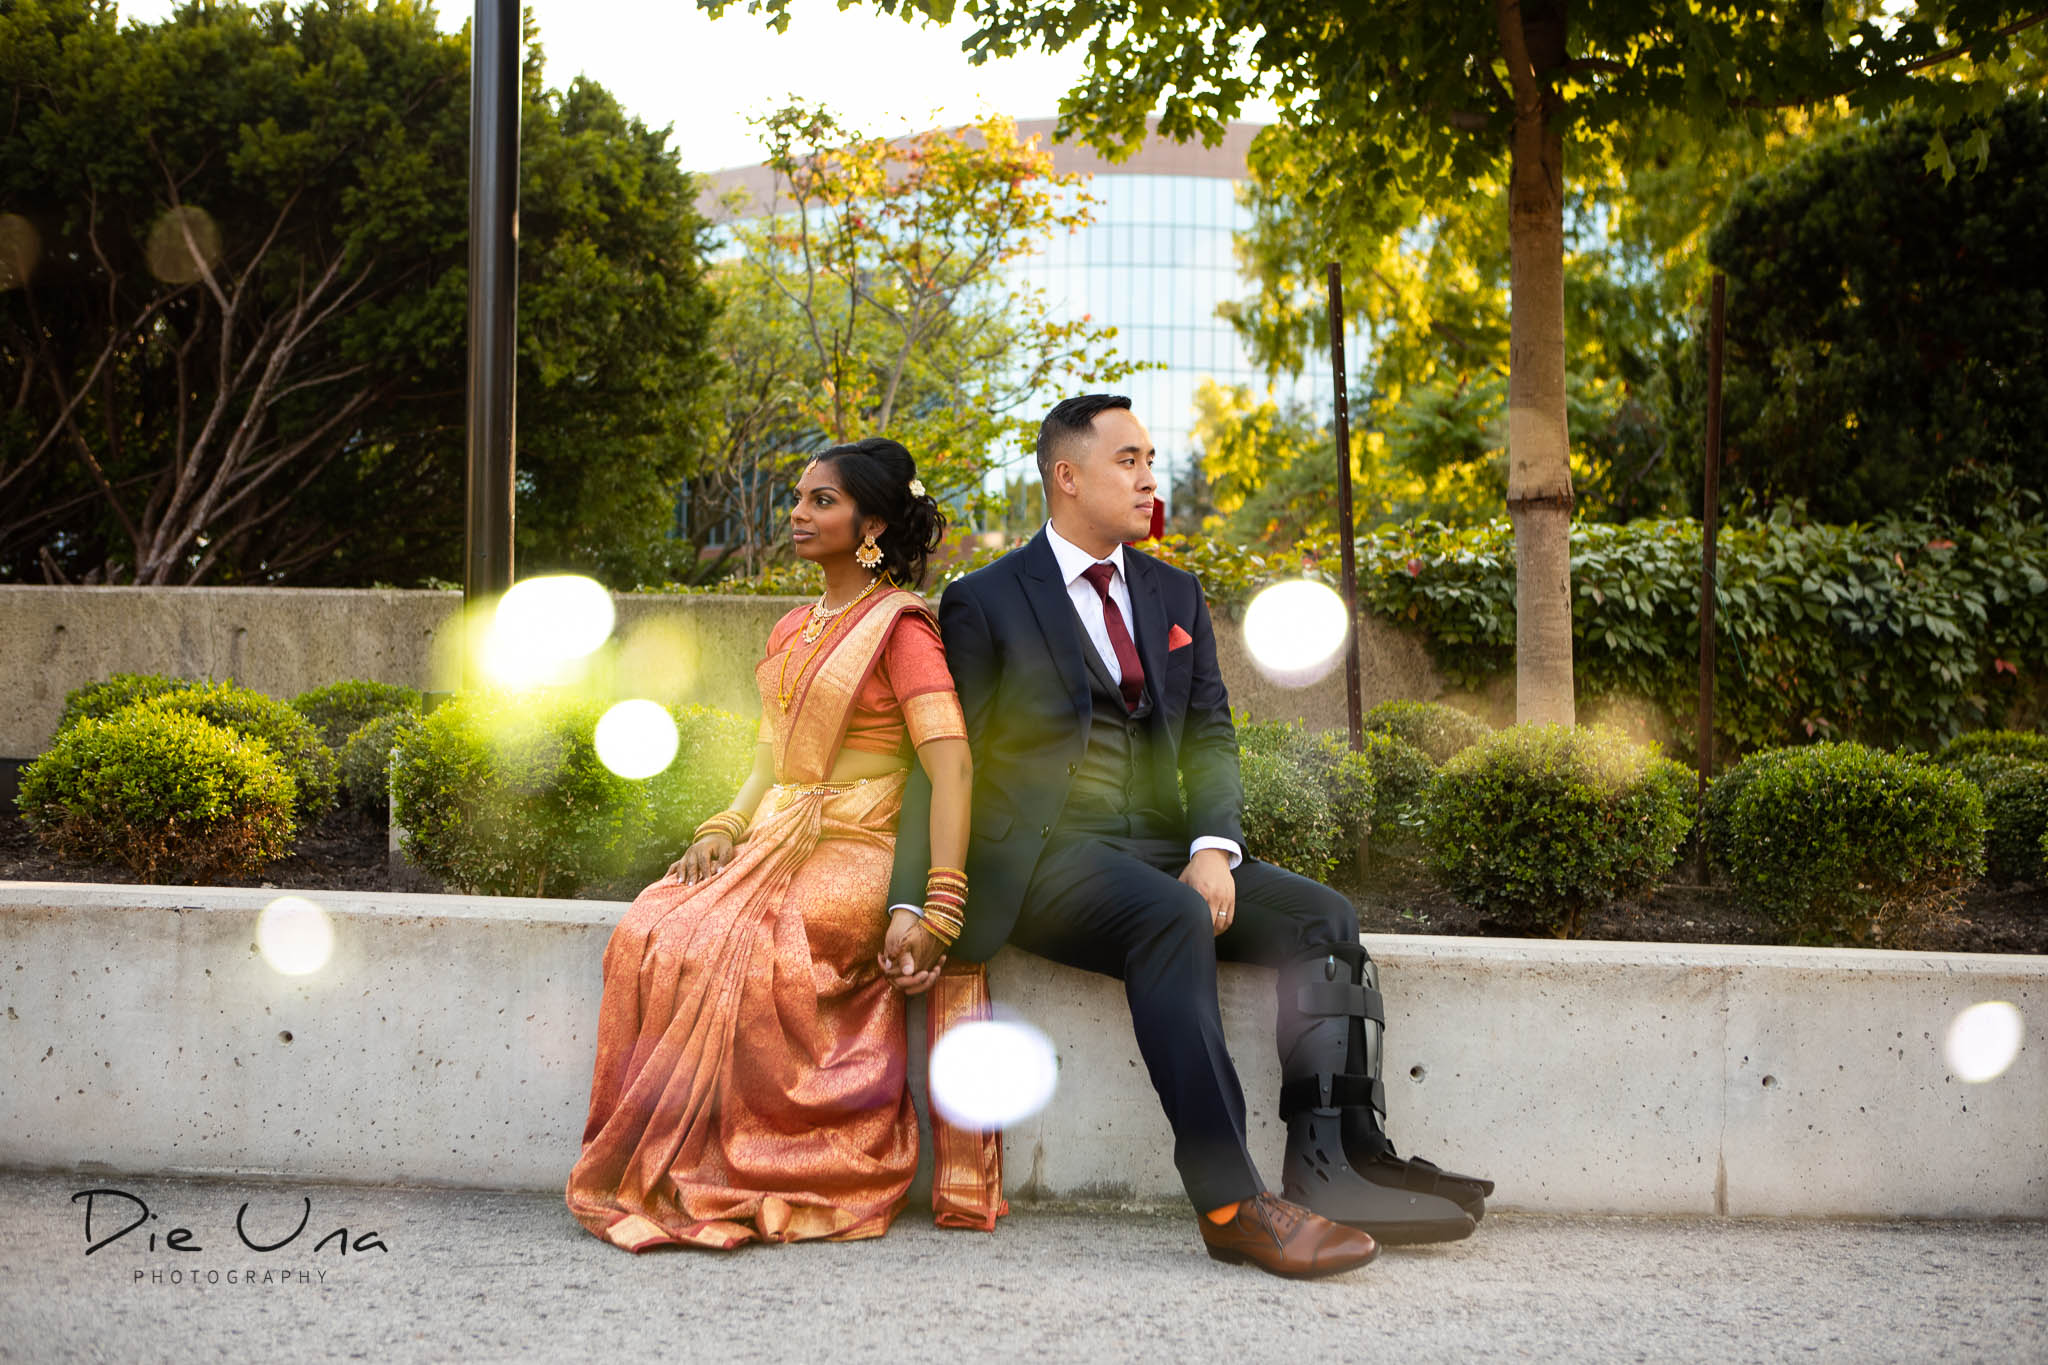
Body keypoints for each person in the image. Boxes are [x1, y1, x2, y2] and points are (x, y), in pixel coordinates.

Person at [885, 394, 1492, 1279]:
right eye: (1127, 458)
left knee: (1325, 917)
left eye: (1149, 457)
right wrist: (916, 898)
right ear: (1066, 476)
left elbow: (1209, 733)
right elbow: (942, 762)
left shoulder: (1173, 592)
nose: (1147, 475)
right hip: (1047, 860)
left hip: (1165, 851)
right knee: (1171, 918)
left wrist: (1214, 845)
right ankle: (1230, 1201)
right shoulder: (983, 600)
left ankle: (1340, 1157)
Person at [568, 437, 1004, 1251]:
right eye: (799, 499)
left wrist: (942, 899)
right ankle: (682, 1162)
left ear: (871, 523)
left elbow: (952, 769)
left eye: (821, 501)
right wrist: (723, 824)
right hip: (777, 831)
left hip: (862, 841)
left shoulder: (902, 629)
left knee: (753, 945)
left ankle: (781, 1161)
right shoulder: (794, 626)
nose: (798, 514)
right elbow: (770, 756)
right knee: (651, 929)